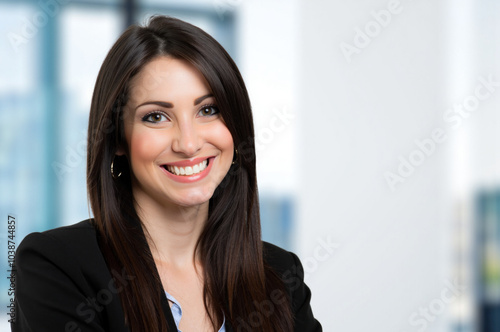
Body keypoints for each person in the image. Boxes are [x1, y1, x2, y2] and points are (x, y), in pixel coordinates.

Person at [12, 15, 322, 332]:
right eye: (156, 116)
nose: (188, 144)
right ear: (118, 137)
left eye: (208, 110)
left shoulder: (280, 275)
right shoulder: (58, 266)